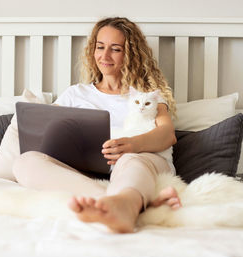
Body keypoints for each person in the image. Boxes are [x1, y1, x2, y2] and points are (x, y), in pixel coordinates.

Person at [13, 17, 181, 233]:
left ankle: (125, 203)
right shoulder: (75, 94)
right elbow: (45, 128)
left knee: (129, 160)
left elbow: (167, 135)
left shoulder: (144, 95)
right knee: (25, 162)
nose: (105, 56)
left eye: (116, 49)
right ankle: (117, 202)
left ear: (130, 54)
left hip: (141, 163)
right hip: (86, 172)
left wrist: (131, 145)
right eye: (100, 47)